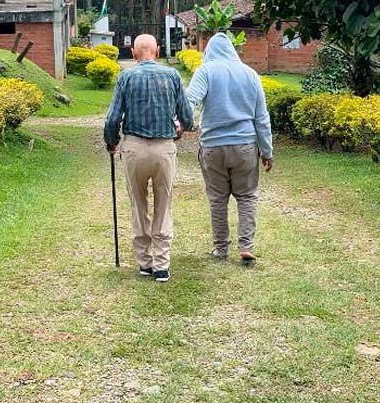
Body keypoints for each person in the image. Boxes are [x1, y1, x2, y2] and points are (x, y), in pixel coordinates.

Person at [103, 34, 195, 282]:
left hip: (134, 148)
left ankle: (144, 263)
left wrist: (111, 142)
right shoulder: (172, 76)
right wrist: (183, 127)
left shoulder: (126, 77)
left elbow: (113, 118)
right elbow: (186, 115)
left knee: (138, 205)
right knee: (163, 206)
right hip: (164, 149)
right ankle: (162, 265)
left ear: (133, 53)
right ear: (157, 50)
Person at [185, 32, 273, 266]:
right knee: (246, 197)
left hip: (213, 147)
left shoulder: (205, 71)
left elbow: (189, 101)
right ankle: (246, 247)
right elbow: (261, 118)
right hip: (245, 147)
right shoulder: (251, 74)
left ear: (209, 52)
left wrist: (180, 123)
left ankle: (221, 248)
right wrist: (267, 151)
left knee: (217, 199)